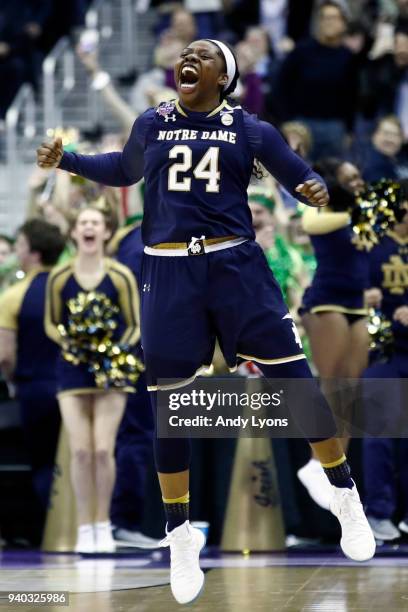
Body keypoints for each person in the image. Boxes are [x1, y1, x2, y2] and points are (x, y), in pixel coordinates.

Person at [37, 38, 375, 604]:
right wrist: (66, 159)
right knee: (171, 409)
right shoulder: (152, 121)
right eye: (184, 52)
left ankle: (344, 495)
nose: (188, 58)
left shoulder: (251, 129)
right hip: (169, 273)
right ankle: (179, 538)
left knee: (296, 382)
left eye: (203, 54)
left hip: (236, 264)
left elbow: (301, 177)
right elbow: (122, 169)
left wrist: (312, 187)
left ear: (225, 77)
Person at [44, 206, 141, 553]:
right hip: (73, 368)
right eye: (82, 222)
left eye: (94, 223)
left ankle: (104, 523)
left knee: (103, 450)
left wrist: (114, 351)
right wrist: (71, 344)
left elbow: (134, 323)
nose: (88, 227)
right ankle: (85, 526)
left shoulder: (119, 275)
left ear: (105, 232)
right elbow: (50, 323)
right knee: (81, 451)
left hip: (111, 368)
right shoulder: (59, 276)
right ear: (74, 232)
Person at [298, 160, 369, 508]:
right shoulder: (322, 203)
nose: (357, 180)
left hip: (357, 302)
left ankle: (338, 476)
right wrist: (358, 214)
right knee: (331, 385)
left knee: (350, 390)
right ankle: (315, 464)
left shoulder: (363, 213)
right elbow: (309, 222)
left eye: (358, 176)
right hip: (327, 301)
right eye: (349, 176)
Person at [0, 219, 65, 520]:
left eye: (21, 246)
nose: (17, 252)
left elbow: (4, 355)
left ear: (33, 254)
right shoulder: (74, 286)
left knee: (42, 461)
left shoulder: (13, 295)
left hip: (35, 387)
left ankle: (48, 530)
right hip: (75, 387)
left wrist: (14, 380)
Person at [362, 204, 408, 541]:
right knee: (379, 432)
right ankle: (378, 514)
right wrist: (364, 299)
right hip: (382, 352)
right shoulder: (369, 246)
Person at [276, 1, 358, 159]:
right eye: (325, 17)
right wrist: (286, 120)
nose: (329, 22)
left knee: (333, 177)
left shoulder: (347, 57)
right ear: (318, 22)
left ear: (343, 23)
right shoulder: (301, 51)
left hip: (335, 128)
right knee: (299, 176)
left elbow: (352, 96)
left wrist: (349, 130)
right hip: (301, 124)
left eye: (334, 17)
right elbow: (281, 87)